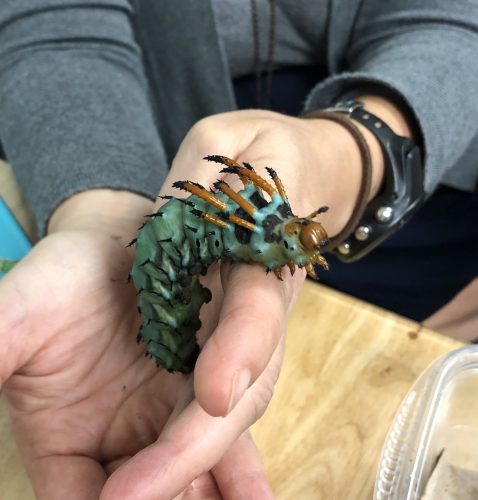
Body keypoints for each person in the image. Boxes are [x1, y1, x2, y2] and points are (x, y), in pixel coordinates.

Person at [0, 1, 477, 498]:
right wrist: (99, 213)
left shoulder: (268, 231)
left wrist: (349, 149)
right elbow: (57, 25)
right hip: (152, 165)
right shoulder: (220, 244)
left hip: (428, 188)